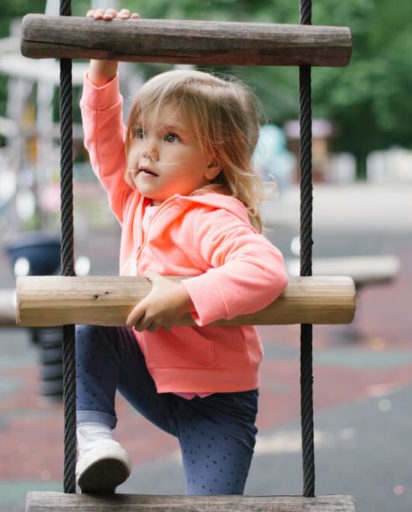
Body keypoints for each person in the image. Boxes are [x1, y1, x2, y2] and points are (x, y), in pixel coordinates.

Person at [75, 7, 289, 496]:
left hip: (218, 399)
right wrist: (103, 64)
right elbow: (104, 141)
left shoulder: (210, 215)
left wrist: (186, 295)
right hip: (150, 374)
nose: (147, 150)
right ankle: (93, 435)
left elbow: (265, 269)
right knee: (90, 317)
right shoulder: (136, 201)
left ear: (214, 160)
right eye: (143, 133)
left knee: (213, 505)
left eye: (171, 138)